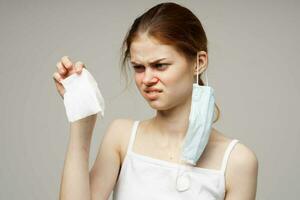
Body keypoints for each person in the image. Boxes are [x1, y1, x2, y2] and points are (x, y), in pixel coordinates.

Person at [53, 2, 258, 200]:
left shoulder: (237, 161)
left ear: (198, 63)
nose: (147, 79)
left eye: (160, 65)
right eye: (139, 67)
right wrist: (81, 116)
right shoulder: (121, 137)